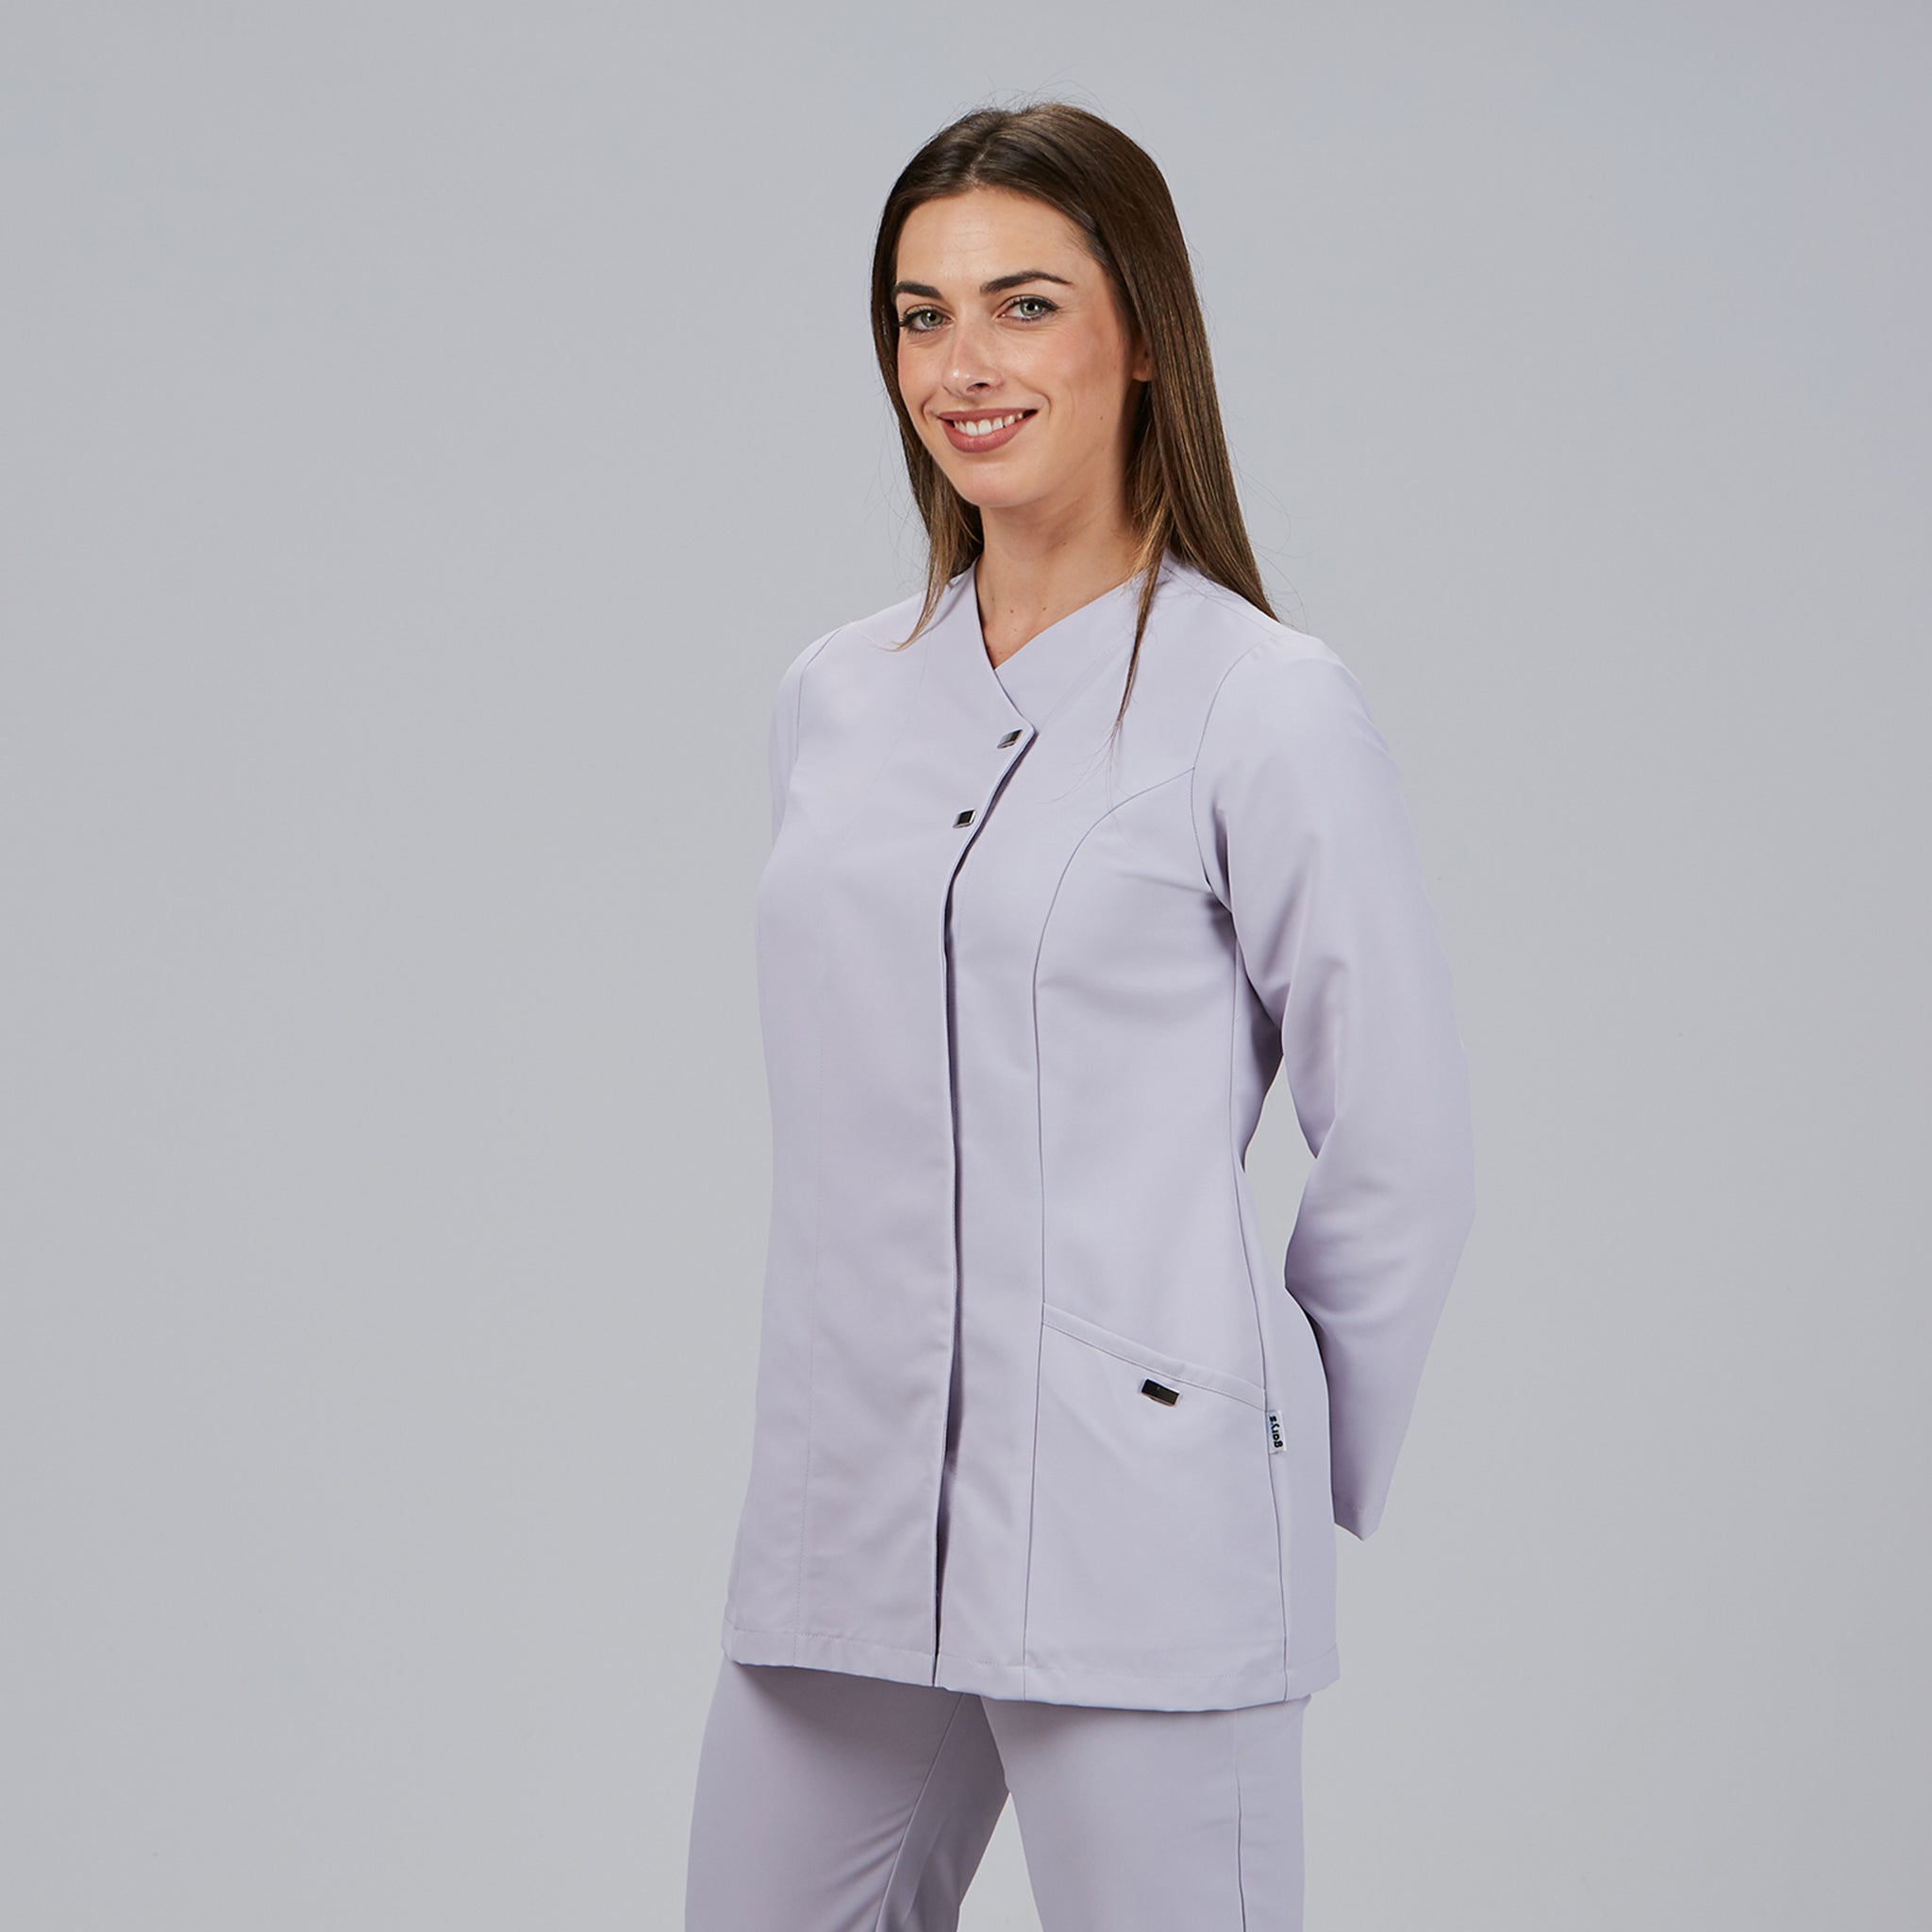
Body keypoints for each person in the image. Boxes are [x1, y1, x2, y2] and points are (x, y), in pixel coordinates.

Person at [684, 100, 1476, 1932]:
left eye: (1022, 305)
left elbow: (1403, 1137)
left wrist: (1255, 1451)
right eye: (920, 315)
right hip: (845, 1512)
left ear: (1141, 334)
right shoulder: (835, 698)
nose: (961, 365)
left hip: (1142, 1531)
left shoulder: (1259, 702)